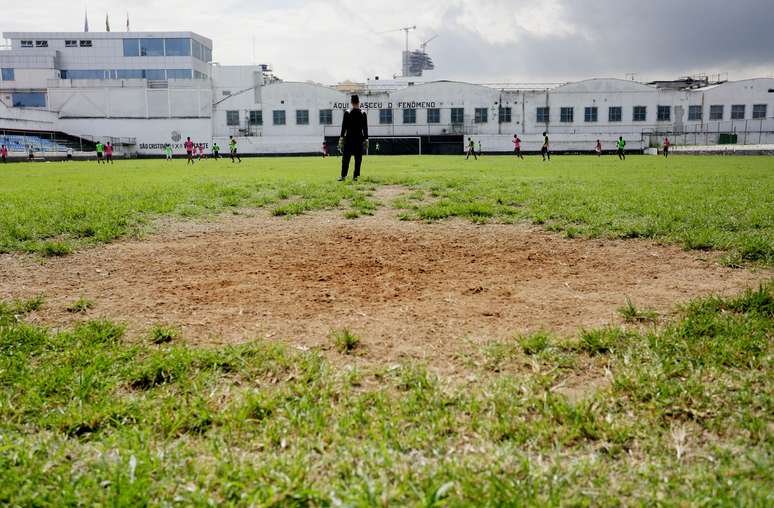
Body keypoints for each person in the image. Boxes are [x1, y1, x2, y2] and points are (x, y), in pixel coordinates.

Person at [338, 94, 368, 182]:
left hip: (349, 138)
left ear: (351, 102)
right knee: (358, 159)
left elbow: (344, 127)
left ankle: (343, 176)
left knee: (346, 159)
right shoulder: (363, 113)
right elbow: (365, 128)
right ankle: (356, 176)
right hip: (359, 138)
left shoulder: (347, 112)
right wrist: (366, 139)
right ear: (359, 102)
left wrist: (341, 138)